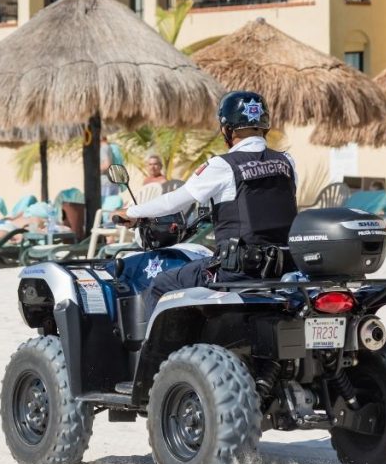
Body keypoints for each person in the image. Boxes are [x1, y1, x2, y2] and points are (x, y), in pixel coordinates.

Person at [111, 91, 298, 315]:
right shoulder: (286, 161)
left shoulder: (223, 165)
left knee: (162, 284)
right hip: (284, 266)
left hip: (238, 270)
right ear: (264, 124)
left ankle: (159, 351)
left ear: (226, 129)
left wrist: (131, 211)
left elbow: (174, 202)